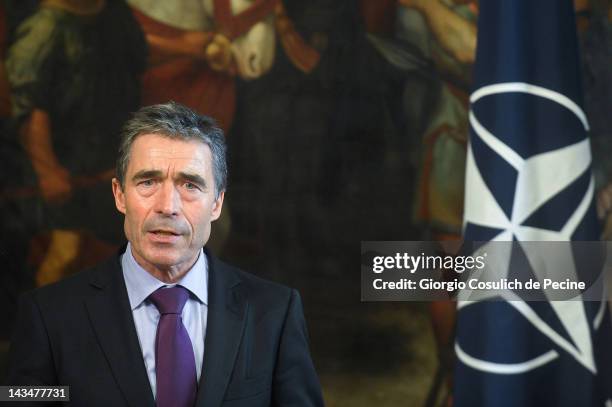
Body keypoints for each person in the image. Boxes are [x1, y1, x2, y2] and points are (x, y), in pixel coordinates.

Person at [5, 102, 325, 407]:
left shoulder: (275, 313)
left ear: (216, 204)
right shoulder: (47, 317)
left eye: (190, 185)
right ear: (119, 195)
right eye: (148, 181)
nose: (167, 206)